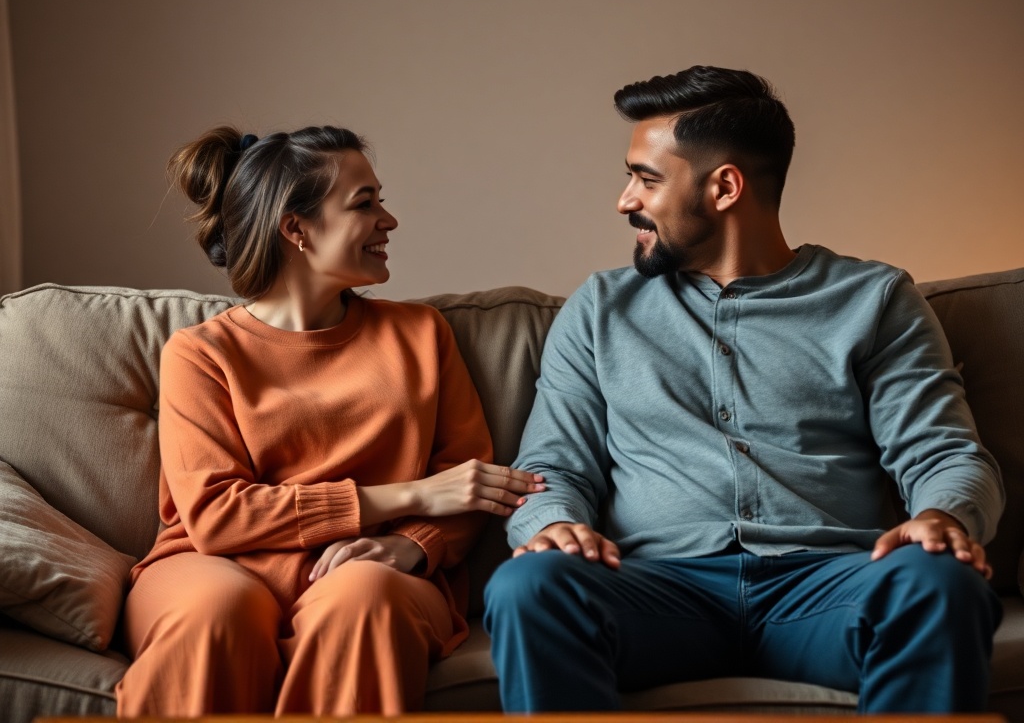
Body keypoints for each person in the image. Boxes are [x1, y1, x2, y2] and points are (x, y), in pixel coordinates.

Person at [483, 66, 1004, 713]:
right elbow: (552, 467)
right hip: (652, 591)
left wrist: (942, 515)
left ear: (724, 186)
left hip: (827, 590)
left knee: (940, 584)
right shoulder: (599, 309)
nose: (624, 201)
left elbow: (945, 454)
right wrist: (554, 524)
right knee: (528, 585)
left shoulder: (873, 300)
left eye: (646, 179)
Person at [115, 125, 544, 717]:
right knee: (214, 617)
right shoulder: (200, 352)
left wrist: (412, 546)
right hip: (214, 565)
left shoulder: (420, 335)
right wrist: (412, 495)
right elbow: (218, 517)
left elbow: (467, 485)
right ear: (296, 229)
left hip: (368, 567)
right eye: (365, 204)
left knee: (365, 601)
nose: (388, 220)